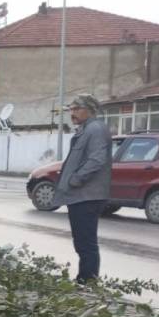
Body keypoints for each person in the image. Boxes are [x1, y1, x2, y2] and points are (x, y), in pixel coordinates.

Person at [55, 94, 112, 284]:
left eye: (76, 109)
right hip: (81, 195)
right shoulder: (85, 130)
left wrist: (76, 179)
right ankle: (85, 278)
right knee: (82, 241)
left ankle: (88, 281)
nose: (72, 113)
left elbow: (96, 159)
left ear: (90, 109)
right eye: (71, 109)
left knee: (86, 242)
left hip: (87, 195)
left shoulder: (95, 129)